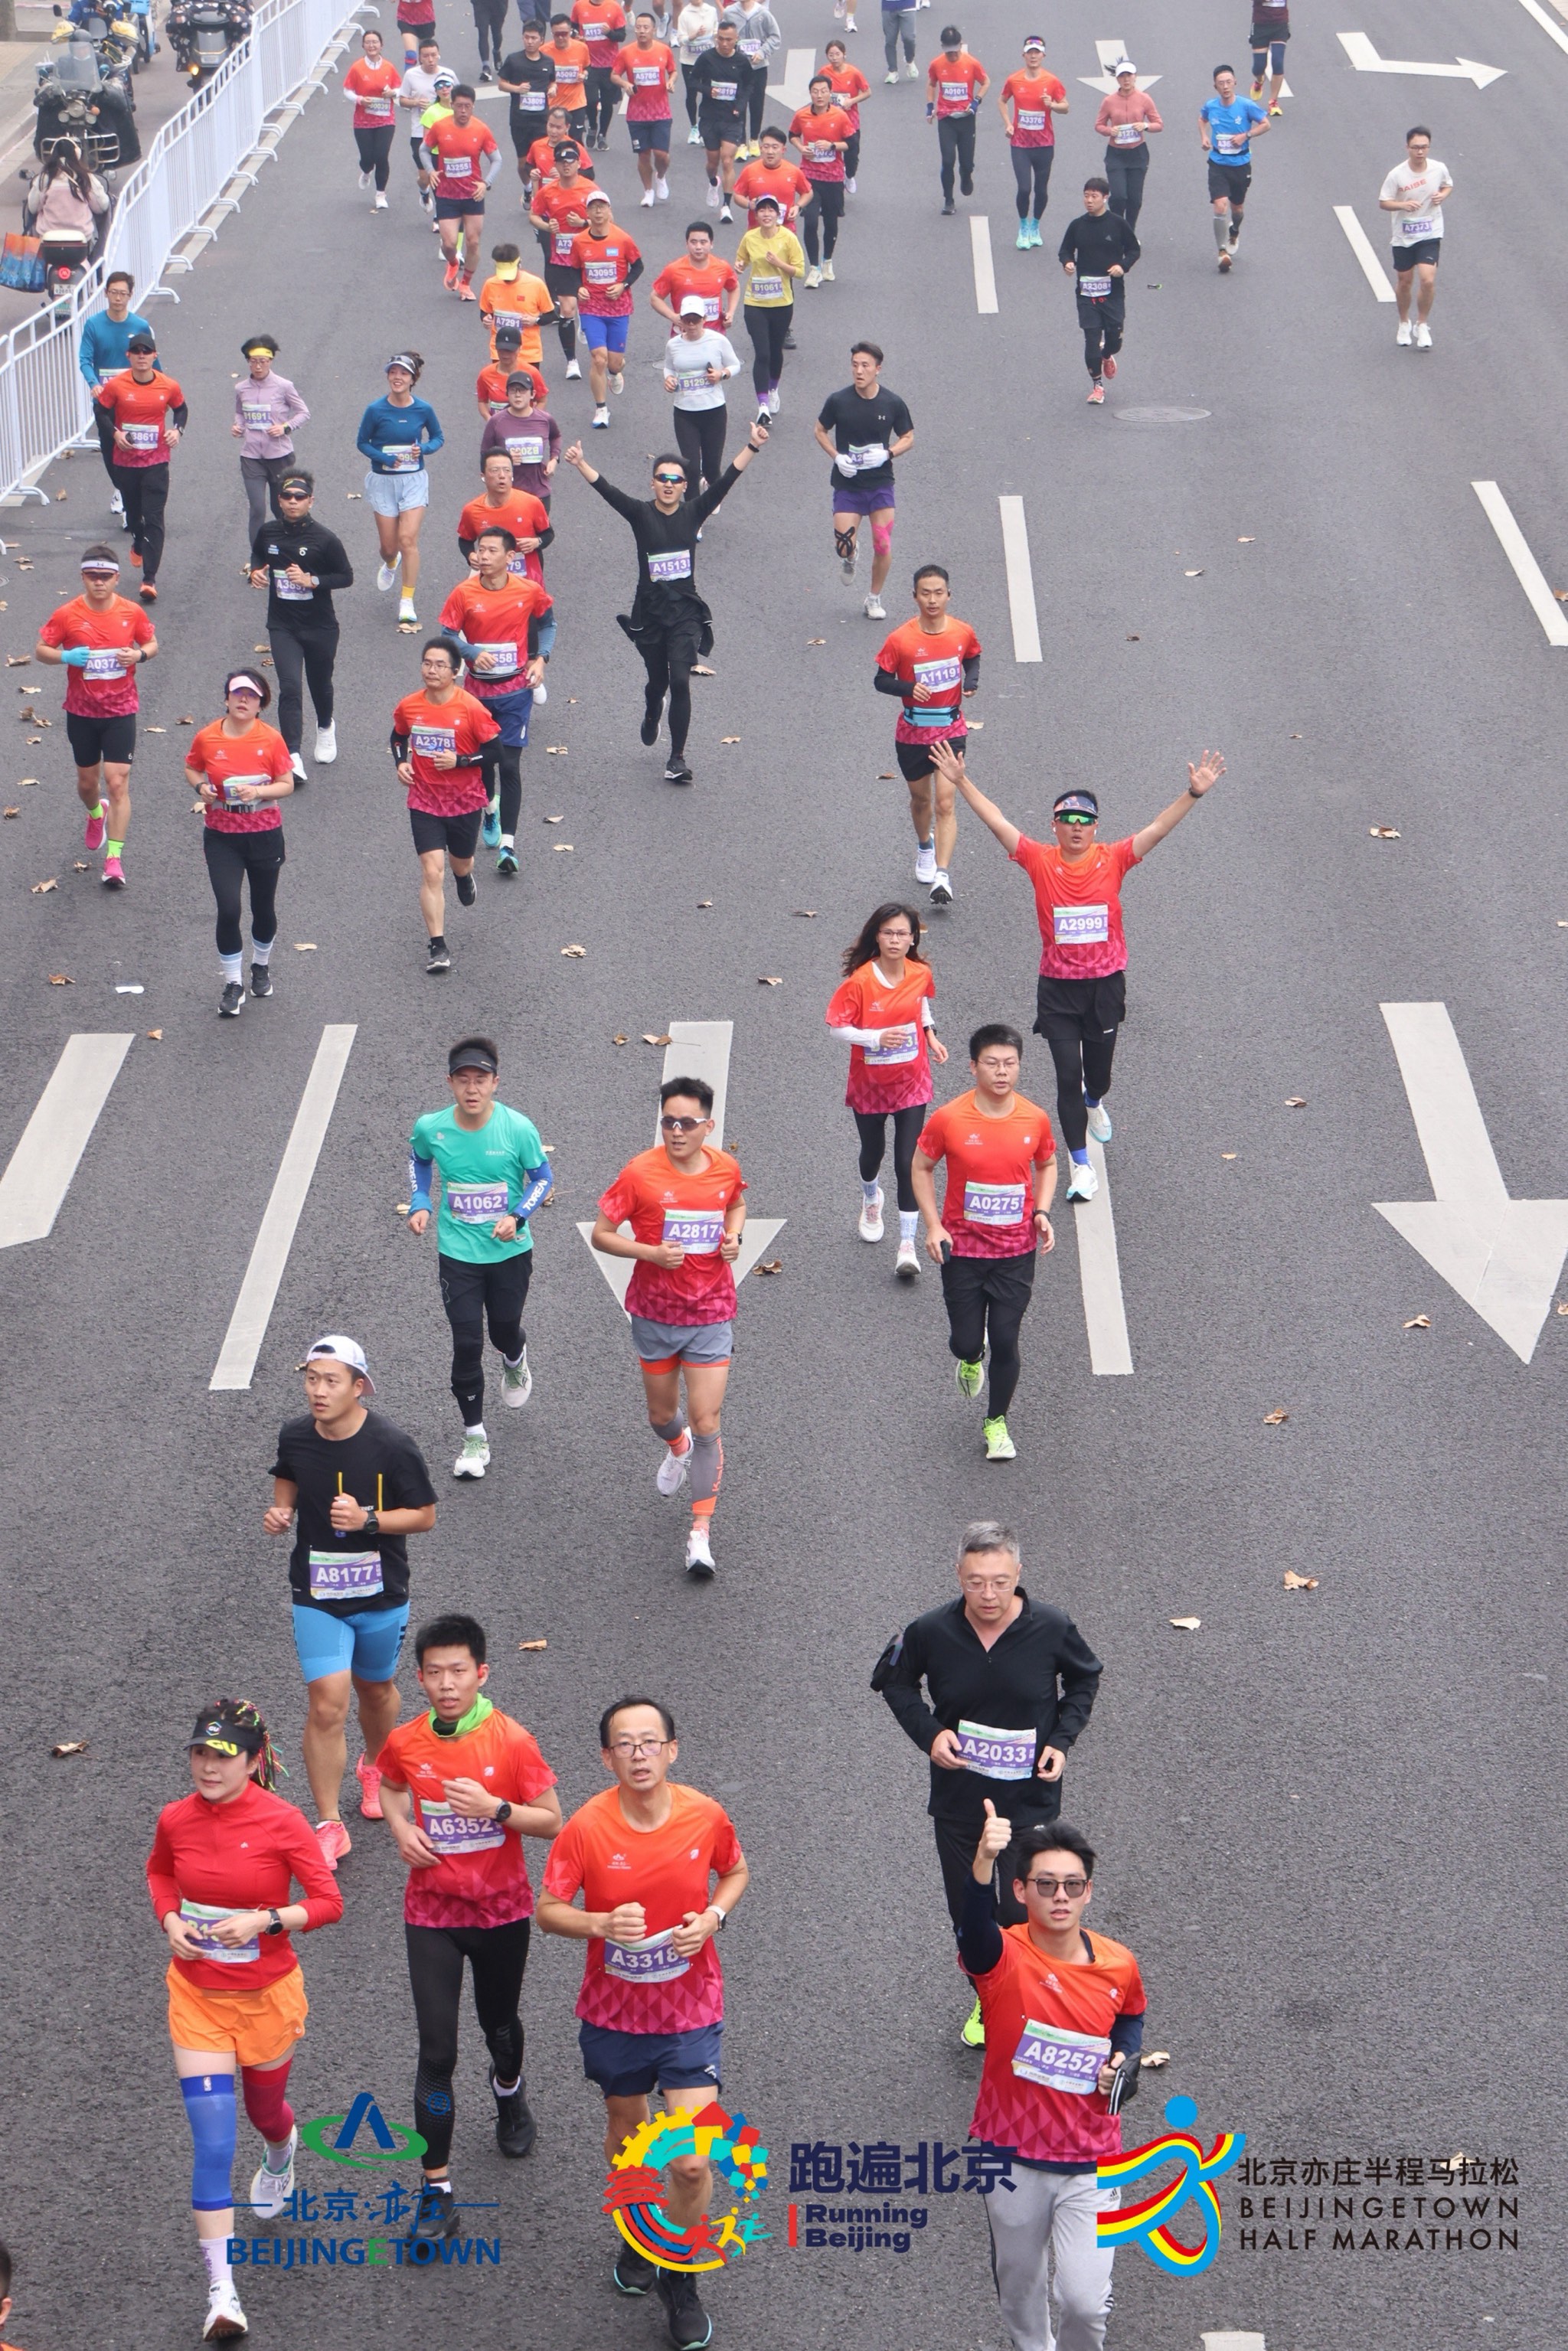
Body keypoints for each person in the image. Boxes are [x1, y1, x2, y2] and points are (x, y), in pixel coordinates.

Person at [539, 1700, 748, 2346]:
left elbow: (735, 1871)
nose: (639, 1753)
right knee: (628, 2132)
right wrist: (600, 1923)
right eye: (625, 1744)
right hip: (616, 2013)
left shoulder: (705, 1814)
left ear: (671, 1749)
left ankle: (678, 2272)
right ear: (607, 1757)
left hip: (689, 2010)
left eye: (650, 1741)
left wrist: (713, 1918)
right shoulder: (586, 1827)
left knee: (690, 2163)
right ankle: (638, 2227)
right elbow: (548, 1909)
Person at [937, 742, 1225, 1201]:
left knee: (1098, 1076)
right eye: (1067, 820)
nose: (1076, 827)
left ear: (1095, 828)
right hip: (1058, 990)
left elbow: (1157, 829)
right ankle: (1081, 1165)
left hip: (1105, 987)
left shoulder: (1115, 858)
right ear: (1054, 826)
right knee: (1067, 1075)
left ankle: (1096, 1101)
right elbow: (997, 821)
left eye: (1084, 820)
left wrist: (1192, 794)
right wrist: (961, 781)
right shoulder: (1038, 859)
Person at [146, 1697, 343, 2343]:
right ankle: (222, 2291)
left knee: (265, 2113)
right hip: (197, 1998)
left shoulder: (283, 1822)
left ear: (254, 1760)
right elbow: (160, 1872)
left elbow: (328, 1901)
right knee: (213, 2144)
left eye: (224, 1755)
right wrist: (171, 1920)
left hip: (266, 1998)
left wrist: (265, 1919)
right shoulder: (175, 1818)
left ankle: (282, 2149)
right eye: (200, 1753)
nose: (209, 1766)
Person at [877, 1520, 1102, 2045]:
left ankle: (1034, 2001)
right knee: (971, 1915)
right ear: (958, 1575)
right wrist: (930, 1734)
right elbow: (893, 1681)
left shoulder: (1052, 1627)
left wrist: (1061, 1740)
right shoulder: (930, 1630)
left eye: (1000, 1581)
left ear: (1018, 1574)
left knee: (1022, 1909)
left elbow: (1085, 1677)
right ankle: (989, 1998)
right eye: (976, 1581)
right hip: (959, 1802)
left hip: (1028, 1800)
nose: (988, 1594)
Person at [377, 1613, 563, 2241]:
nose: (447, 1683)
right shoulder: (406, 1740)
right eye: (434, 1672)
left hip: (501, 1910)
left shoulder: (512, 1741)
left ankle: (509, 2089)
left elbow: (552, 1820)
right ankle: (437, 2189)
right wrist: (401, 1828)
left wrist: (497, 1809)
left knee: (499, 2025)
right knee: (437, 2052)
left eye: (458, 1671)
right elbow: (391, 1786)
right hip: (431, 1911)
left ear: (481, 1673)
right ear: (420, 1678)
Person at [960, 1811, 1145, 2351]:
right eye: (1045, 1885)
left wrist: (1123, 2058)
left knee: (1085, 2302)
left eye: (1072, 1885)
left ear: (1088, 1892)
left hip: (1094, 2158)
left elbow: (1130, 2016)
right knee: (1020, 2290)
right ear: (1021, 1891)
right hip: (1010, 2156)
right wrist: (983, 1860)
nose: (1060, 1896)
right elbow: (973, 1931)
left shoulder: (1119, 1964)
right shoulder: (1002, 1957)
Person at [265, 1335, 437, 1857]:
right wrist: (282, 1510)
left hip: (381, 1594)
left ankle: (375, 1766)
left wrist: (369, 1520)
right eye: (311, 1379)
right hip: (316, 1594)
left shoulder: (393, 1445)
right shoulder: (295, 1435)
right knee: (327, 1703)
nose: (318, 1391)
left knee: (376, 1690)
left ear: (358, 1387)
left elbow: (425, 1515)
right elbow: (288, 1475)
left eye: (331, 1381)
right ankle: (327, 1822)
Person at [590, 1076, 747, 1572]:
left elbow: (736, 1204)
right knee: (662, 1416)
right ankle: (676, 1447)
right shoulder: (640, 1173)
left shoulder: (725, 1169)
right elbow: (602, 1234)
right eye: (668, 1122)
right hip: (655, 1315)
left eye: (687, 1123)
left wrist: (734, 1238)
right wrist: (651, 1253)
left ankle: (700, 1533)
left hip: (710, 1313)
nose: (677, 1131)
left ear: (708, 1126)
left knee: (707, 1421)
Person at [563, 422, 766, 783]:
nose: (669, 484)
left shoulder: (694, 512)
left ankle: (677, 759)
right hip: (651, 613)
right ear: (653, 483)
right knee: (657, 682)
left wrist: (752, 445)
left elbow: (726, 481)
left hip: (686, 612)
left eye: (676, 480)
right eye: (662, 478)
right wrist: (580, 463)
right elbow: (608, 491)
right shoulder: (640, 514)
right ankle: (652, 710)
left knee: (681, 681)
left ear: (686, 485)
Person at [910, 1022, 1057, 1462]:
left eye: (1010, 1063)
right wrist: (933, 1226)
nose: (1002, 1072)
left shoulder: (1034, 1118)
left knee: (1007, 1340)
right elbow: (921, 1167)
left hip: (1015, 1252)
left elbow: (1048, 1164)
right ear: (974, 1067)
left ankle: (996, 1422)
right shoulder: (949, 1118)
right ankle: (971, 1357)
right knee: (965, 1340)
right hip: (964, 1250)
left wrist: (1042, 1211)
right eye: (992, 1063)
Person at [407, 1039, 554, 1474]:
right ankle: (474, 1437)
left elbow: (542, 1179)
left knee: (503, 1330)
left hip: (509, 1252)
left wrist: (518, 1216)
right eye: (463, 1080)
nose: (472, 1089)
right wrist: (420, 1200)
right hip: (457, 1253)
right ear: (450, 1083)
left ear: (495, 1083)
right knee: (467, 1342)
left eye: (481, 1080)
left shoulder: (518, 1128)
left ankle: (515, 1357)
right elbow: (419, 1160)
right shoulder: (431, 1127)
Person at [827, 900, 947, 1272]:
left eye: (902, 933)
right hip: (870, 1083)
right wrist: (875, 1039)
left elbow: (921, 1005)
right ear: (876, 937)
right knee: (872, 1152)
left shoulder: (920, 973)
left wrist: (930, 1035)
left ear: (912, 939)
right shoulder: (860, 981)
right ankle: (870, 1198)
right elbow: (837, 1029)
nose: (895, 940)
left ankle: (907, 1245)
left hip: (912, 1081)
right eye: (888, 933)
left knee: (907, 1161)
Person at [34, 547, 155, 891]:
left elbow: (152, 643)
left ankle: (114, 860)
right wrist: (65, 657)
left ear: (117, 578)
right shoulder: (67, 614)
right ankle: (95, 813)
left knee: (117, 782)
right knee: (88, 784)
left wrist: (139, 655)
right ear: (83, 578)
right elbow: (41, 650)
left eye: (105, 576)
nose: (99, 582)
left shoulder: (131, 612)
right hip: (82, 711)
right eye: (92, 576)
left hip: (121, 710)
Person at [440, 524, 554, 868]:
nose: (484, 556)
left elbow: (548, 624)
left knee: (508, 763)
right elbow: (447, 635)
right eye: (481, 549)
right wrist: (472, 652)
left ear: (510, 556)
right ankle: (490, 809)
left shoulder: (528, 589)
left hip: (515, 691)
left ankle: (508, 846)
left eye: (492, 550)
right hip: (476, 694)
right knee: (484, 763)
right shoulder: (463, 593)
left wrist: (541, 659)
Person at [185, 671, 295, 1018]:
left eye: (252, 696)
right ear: (226, 699)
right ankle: (233, 984)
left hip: (264, 833)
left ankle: (260, 965)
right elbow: (192, 768)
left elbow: (287, 784)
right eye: (238, 694)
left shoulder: (272, 739)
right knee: (229, 908)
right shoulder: (207, 737)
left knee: (263, 907)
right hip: (222, 836)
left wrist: (259, 792)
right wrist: (201, 787)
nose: (244, 700)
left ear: (261, 704)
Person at [391, 638, 503, 971]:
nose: (432, 670)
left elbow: (496, 752)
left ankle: (464, 877)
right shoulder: (409, 705)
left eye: (440, 665)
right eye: (427, 663)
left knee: (461, 863)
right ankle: (438, 946)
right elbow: (398, 736)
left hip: (464, 800)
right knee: (431, 871)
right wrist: (401, 762)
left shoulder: (471, 708)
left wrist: (461, 761)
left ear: (455, 672)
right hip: (424, 799)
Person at [872, 562, 978, 905]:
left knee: (946, 802)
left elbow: (972, 657)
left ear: (948, 595)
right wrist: (908, 688)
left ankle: (942, 876)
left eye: (938, 593)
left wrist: (971, 681)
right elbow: (881, 680)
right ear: (915, 597)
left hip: (950, 728)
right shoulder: (900, 639)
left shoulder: (962, 632)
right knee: (922, 801)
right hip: (913, 731)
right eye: (925, 594)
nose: (932, 600)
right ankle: (924, 847)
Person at [248, 470, 353, 781]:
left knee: (320, 684)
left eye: (300, 497)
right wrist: (256, 572)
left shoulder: (325, 539)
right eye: (287, 497)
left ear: (311, 501)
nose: (293, 502)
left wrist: (312, 581)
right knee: (290, 687)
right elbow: (258, 555)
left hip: (320, 626)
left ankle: (325, 726)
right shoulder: (268, 533)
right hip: (283, 626)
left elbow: (346, 576)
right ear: (279, 500)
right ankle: (292, 756)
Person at [814, 341, 913, 619]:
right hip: (848, 484)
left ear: (878, 369)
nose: (859, 371)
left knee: (883, 543)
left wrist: (888, 453)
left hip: (880, 484)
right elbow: (820, 430)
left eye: (865, 366)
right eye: (855, 365)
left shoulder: (892, 403)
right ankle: (850, 555)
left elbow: (908, 437)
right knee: (843, 545)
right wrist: (836, 457)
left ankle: (873, 598)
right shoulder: (838, 401)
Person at [96, 331, 186, 605]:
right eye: (136, 351)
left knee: (154, 517)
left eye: (147, 351)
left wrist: (177, 431)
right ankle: (137, 540)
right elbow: (101, 412)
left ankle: (149, 579)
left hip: (156, 462)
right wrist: (115, 434)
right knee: (135, 516)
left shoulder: (168, 385)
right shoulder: (117, 386)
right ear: (129, 356)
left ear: (155, 356)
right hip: (126, 462)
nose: (142, 356)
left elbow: (181, 409)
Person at [356, 351, 444, 629]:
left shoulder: (424, 409)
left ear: (413, 379)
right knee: (389, 547)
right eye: (393, 372)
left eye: (403, 373)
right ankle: (391, 563)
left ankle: (407, 600)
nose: (397, 377)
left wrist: (424, 449)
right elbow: (362, 442)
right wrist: (383, 457)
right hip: (383, 481)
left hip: (413, 480)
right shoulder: (375, 410)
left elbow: (438, 437)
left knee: (408, 540)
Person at [78, 269, 151, 522]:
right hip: (105, 402)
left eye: (122, 293)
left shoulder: (140, 326)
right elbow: (85, 360)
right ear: (106, 294)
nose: (118, 298)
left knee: (134, 448)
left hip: (133, 401)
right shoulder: (94, 325)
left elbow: (153, 361)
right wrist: (94, 384)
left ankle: (132, 504)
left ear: (130, 296)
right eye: (113, 292)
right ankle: (121, 487)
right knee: (110, 451)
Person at [1058, 178, 1138, 403]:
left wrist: (1122, 266)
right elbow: (1065, 250)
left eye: (1094, 196)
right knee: (1091, 339)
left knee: (1114, 339)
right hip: (1086, 293)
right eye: (1086, 196)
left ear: (1105, 198)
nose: (1089, 201)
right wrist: (1068, 263)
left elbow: (1134, 250)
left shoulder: (1118, 224)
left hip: (1112, 292)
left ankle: (1107, 354)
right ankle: (1097, 386)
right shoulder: (1077, 226)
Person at [571, 186, 644, 425]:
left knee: (613, 362)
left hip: (618, 308)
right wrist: (578, 288)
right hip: (591, 308)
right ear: (587, 213)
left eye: (602, 207)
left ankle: (615, 371)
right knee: (598, 358)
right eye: (593, 208)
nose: (598, 211)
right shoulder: (579, 241)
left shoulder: (622, 238)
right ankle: (601, 409)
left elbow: (638, 266)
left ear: (609, 210)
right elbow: (572, 270)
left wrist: (623, 285)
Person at [423, 82, 504, 296]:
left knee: (473, 242)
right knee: (449, 244)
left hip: (472, 194)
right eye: (459, 106)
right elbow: (424, 150)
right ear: (452, 105)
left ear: (473, 106)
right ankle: (452, 263)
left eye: (467, 106)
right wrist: (431, 171)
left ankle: (466, 284)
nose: (463, 111)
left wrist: (486, 183)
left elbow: (497, 159)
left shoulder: (481, 129)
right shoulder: (440, 127)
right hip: (447, 194)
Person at [230, 334, 309, 550]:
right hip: (251, 457)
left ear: (271, 361)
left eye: (263, 361)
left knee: (280, 508)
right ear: (248, 362)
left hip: (280, 457)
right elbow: (240, 413)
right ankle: (258, 559)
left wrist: (285, 427)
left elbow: (303, 413)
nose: (258, 366)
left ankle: (292, 550)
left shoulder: (284, 386)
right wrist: (238, 426)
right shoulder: (241, 388)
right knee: (257, 509)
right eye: (253, 361)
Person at [1380, 125, 1451, 350]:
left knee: (1428, 279)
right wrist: (1403, 205)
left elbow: (1448, 185)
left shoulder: (1439, 169)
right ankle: (1404, 322)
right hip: (1404, 234)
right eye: (1416, 147)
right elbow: (1384, 202)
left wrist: (1442, 196)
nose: (1420, 152)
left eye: (1424, 147)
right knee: (1405, 281)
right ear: (1407, 148)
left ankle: (1422, 324)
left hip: (1430, 231)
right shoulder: (1397, 175)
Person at [530, 136, 596, 377]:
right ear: (556, 165)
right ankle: (572, 362)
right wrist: (547, 227)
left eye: (570, 161)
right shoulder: (548, 192)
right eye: (561, 162)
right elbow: (534, 215)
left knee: (587, 304)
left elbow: (608, 220)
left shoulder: (591, 190)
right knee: (567, 309)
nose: (566, 165)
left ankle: (586, 322)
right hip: (561, 260)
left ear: (579, 163)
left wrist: (584, 223)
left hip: (589, 259)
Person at [663, 297, 741, 497]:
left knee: (712, 467)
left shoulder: (718, 340)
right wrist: (669, 379)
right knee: (690, 468)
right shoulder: (673, 345)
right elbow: (669, 367)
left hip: (714, 411)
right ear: (681, 320)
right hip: (685, 413)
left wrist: (722, 374)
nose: (691, 325)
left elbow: (735, 365)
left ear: (704, 319)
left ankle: (712, 495)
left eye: (696, 320)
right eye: (687, 320)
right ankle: (692, 512)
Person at [996, 34, 1067, 247]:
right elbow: (1002, 101)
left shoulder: (1052, 81)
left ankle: (1035, 225)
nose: (1033, 57)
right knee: (1025, 188)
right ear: (1023, 55)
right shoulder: (1014, 80)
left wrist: (1053, 105)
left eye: (1037, 53)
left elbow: (1065, 107)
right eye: (1030, 53)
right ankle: (1023, 226)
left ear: (1043, 55)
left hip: (1044, 144)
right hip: (1020, 144)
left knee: (1041, 189)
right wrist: (1008, 123)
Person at [734, 194, 801, 417]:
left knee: (775, 351)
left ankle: (773, 389)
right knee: (762, 353)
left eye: (771, 210)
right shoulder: (750, 237)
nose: (766, 214)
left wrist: (779, 263)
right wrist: (740, 265)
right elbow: (742, 259)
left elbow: (800, 271)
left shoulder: (788, 238)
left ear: (778, 215)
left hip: (781, 304)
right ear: (756, 215)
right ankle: (763, 405)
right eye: (762, 210)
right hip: (755, 303)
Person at [1199, 60, 1267, 272]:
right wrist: (1204, 137)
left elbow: (1266, 124)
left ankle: (1234, 231)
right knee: (1220, 206)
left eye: (1229, 82)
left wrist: (1246, 135)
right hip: (1218, 163)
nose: (1225, 86)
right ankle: (1222, 252)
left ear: (1235, 82)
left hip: (1241, 165)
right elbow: (1202, 119)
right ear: (1215, 86)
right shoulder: (1211, 106)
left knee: (1237, 209)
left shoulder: (1246, 106)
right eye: (1221, 83)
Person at [689, 18, 757, 218]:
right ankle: (713, 182)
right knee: (713, 163)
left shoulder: (742, 61)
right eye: (721, 39)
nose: (725, 44)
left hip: (732, 118)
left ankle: (726, 206)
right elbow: (692, 80)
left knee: (727, 160)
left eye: (729, 39)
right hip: (710, 117)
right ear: (716, 38)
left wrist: (740, 105)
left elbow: (749, 85)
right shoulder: (707, 58)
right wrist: (708, 91)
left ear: (736, 39)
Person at [790, 73, 854, 279]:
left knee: (830, 221)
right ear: (810, 94)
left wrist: (832, 146)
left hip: (833, 177)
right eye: (815, 92)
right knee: (810, 221)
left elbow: (851, 144)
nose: (819, 96)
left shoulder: (840, 116)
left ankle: (827, 261)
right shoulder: (801, 115)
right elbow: (793, 135)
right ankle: (814, 268)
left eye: (823, 91)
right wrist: (801, 148)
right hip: (809, 176)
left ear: (830, 93)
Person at [457, 450, 554, 585]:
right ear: (483, 476)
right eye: (495, 470)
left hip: (528, 581)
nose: (502, 476)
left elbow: (548, 534)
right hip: (492, 582)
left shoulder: (532, 503)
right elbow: (465, 541)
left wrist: (536, 542)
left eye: (507, 470)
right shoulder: (472, 510)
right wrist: (471, 555)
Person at [1093, 57, 1161, 236]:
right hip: (1116, 154)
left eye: (1129, 76)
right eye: (1122, 76)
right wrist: (1110, 131)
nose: (1126, 80)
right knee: (1119, 196)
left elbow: (1158, 124)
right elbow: (1099, 125)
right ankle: (1117, 231)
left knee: (1134, 199)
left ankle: (1129, 233)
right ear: (1117, 79)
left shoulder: (1144, 99)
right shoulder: (1109, 101)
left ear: (1135, 77)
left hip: (1138, 153)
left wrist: (1145, 125)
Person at [614, 11, 677, 201]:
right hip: (637, 114)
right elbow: (614, 75)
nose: (642, 31)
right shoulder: (626, 52)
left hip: (661, 113)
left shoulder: (663, 50)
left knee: (661, 155)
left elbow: (673, 71)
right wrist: (625, 84)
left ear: (654, 30)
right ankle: (648, 191)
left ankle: (661, 176)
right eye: (638, 27)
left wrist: (671, 82)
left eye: (646, 28)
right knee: (643, 155)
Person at [23, 138, 108, 275]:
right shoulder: (85, 178)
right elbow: (102, 206)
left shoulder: (44, 179)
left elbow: (32, 207)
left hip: (48, 242)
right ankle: (97, 274)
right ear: (77, 154)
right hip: (82, 241)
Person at [927, 25, 988, 215]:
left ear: (960, 45)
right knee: (948, 161)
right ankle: (948, 200)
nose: (952, 55)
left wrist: (976, 101)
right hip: (946, 118)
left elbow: (985, 82)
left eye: (954, 51)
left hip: (966, 119)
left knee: (966, 162)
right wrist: (930, 106)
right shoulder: (937, 64)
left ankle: (966, 174)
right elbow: (932, 83)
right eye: (948, 52)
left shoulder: (972, 63)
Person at [480, 371, 562, 504]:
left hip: (539, 492)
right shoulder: (496, 421)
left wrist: (554, 459)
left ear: (532, 394)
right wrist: (506, 459)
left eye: (522, 390)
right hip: (507, 493)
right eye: (513, 390)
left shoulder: (545, 419)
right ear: (507, 394)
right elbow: (485, 453)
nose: (518, 395)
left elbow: (556, 436)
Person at [343, 24, 402, 204]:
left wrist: (393, 93)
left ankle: (380, 194)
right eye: (368, 42)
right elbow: (347, 90)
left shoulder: (389, 67)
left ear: (381, 45)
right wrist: (360, 99)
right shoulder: (357, 67)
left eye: (375, 42)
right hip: (363, 120)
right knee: (368, 158)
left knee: (382, 156)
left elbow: (400, 88)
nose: (371, 45)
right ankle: (366, 171)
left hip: (385, 119)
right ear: (363, 46)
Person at [479, 243, 556, 374]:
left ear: (519, 264)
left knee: (526, 387)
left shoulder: (535, 284)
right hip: (500, 351)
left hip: (528, 353)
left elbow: (551, 315)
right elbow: (485, 311)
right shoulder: (490, 284)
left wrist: (535, 320)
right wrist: (486, 319)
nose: (507, 279)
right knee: (501, 387)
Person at [499, 19, 557, 186]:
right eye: (526, 37)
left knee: (542, 160)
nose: (529, 42)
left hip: (541, 119)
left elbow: (552, 81)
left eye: (533, 38)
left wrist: (553, 88)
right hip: (520, 120)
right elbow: (501, 84)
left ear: (542, 40)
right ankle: (527, 188)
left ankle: (541, 194)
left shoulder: (548, 62)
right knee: (523, 164)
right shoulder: (513, 60)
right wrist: (517, 89)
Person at [650, 220, 738, 329]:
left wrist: (730, 313)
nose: (698, 247)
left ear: (711, 244)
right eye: (693, 242)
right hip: (684, 334)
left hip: (715, 334)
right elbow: (655, 298)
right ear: (687, 244)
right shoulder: (673, 270)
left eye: (703, 242)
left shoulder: (723, 267)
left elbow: (734, 287)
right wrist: (672, 316)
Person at [721, 0, 779, 157]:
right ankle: (740, 142)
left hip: (758, 67)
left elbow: (775, 37)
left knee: (757, 104)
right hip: (738, 68)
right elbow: (723, 36)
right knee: (738, 104)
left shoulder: (763, 13)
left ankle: (754, 139)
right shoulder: (729, 12)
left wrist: (762, 52)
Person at [732, 119, 811, 229]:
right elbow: (737, 195)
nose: (770, 152)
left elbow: (808, 192)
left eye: (775, 147)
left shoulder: (793, 171)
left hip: (786, 231)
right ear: (761, 149)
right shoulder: (750, 170)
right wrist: (749, 204)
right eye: (766, 147)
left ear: (783, 150)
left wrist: (798, 206)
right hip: (757, 232)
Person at [398, 37, 448, 204]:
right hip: (419, 131)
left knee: (441, 174)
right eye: (426, 56)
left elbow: (459, 98)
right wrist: (416, 103)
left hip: (445, 131)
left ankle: (441, 212)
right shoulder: (411, 75)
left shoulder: (448, 75)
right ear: (420, 58)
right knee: (425, 176)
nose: (430, 59)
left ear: (439, 55)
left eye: (434, 55)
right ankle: (423, 190)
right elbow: (402, 100)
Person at [573, 0, 628, 143]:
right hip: (588, 64)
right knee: (591, 100)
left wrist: (610, 33)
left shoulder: (614, 7)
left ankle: (603, 134)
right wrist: (577, 38)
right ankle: (592, 126)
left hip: (609, 64)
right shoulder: (579, 6)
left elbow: (622, 36)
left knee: (607, 102)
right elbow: (572, 29)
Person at [822, 38, 870, 189]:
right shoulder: (824, 72)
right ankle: (834, 182)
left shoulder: (854, 73)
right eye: (831, 55)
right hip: (830, 119)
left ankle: (849, 175)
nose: (834, 58)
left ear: (844, 54)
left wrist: (852, 101)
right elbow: (818, 91)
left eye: (837, 54)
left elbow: (867, 92)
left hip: (851, 121)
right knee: (831, 151)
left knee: (852, 154)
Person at [675, 0, 718, 141]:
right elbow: (680, 40)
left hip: (708, 60)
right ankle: (694, 127)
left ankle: (707, 127)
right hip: (690, 61)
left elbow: (716, 32)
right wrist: (694, 36)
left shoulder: (711, 11)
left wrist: (717, 38)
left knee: (709, 92)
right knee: (691, 93)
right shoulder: (684, 14)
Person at [545, 11, 593, 124]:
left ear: (570, 31)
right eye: (557, 34)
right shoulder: (544, 51)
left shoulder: (582, 48)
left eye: (564, 34)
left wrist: (584, 75)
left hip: (576, 103)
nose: (561, 38)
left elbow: (588, 67)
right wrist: (551, 86)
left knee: (575, 135)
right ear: (552, 33)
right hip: (553, 105)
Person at [1250, 0, 1289, 115]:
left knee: (1278, 62)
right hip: (1260, 25)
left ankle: (1273, 102)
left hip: (1280, 24)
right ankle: (1259, 81)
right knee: (1258, 67)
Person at [472, 0, 511, 82]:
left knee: (497, 32)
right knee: (482, 32)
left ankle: (496, 51)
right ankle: (486, 67)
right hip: (481, 4)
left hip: (498, 4)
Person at [882, 0, 917, 84]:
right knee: (890, 40)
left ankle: (909, 60)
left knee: (909, 38)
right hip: (888, 6)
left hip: (908, 5)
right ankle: (893, 71)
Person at [397, 0, 436, 70]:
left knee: (425, 57)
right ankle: (409, 76)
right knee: (411, 56)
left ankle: (425, 75)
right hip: (405, 18)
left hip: (425, 19)